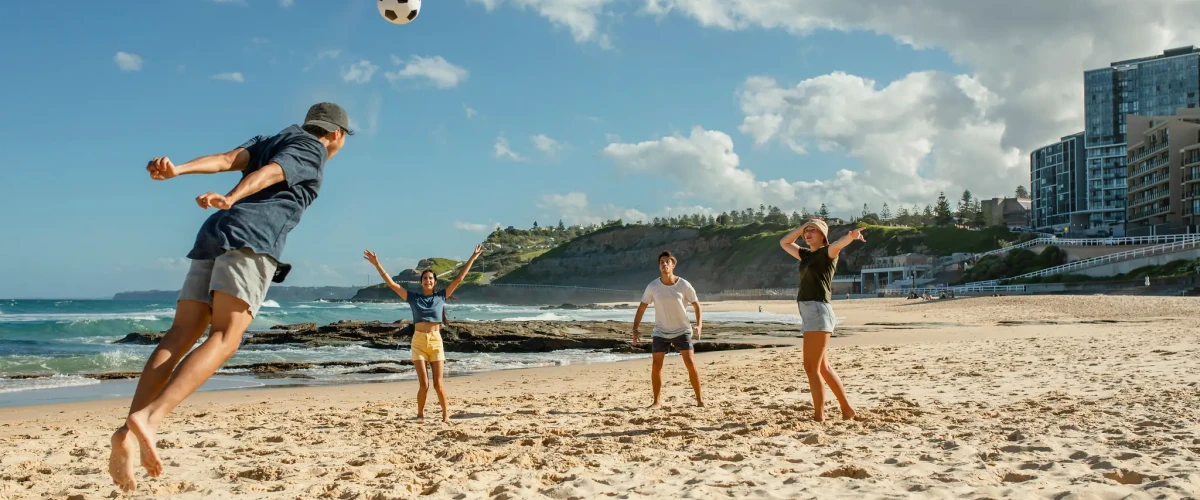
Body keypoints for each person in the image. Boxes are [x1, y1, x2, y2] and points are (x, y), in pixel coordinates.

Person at [108, 103, 353, 492]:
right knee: (225, 337)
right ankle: (150, 420)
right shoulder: (313, 149)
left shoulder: (274, 137)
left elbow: (225, 159)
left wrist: (178, 170)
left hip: (215, 232)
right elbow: (272, 173)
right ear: (338, 134)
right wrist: (234, 195)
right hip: (250, 238)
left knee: (181, 332)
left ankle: (128, 427)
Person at [363, 245, 483, 423]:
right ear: (421, 282)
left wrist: (472, 258)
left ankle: (445, 415)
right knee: (424, 384)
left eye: (430, 278)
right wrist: (377, 264)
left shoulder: (441, 297)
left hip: (436, 342)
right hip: (418, 342)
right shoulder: (413, 298)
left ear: (435, 282)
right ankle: (420, 415)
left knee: (438, 384)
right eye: (425, 278)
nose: (428, 280)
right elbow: (392, 284)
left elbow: (458, 279)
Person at [778, 219, 865, 421]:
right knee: (823, 368)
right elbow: (784, 242)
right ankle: (846, 410)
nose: (808, 234)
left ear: (823, 235)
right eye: (806, 231)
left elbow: (838, 244)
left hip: (818, 311)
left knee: (811, 368)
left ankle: (820, 415)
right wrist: (801, 228)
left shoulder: (827, 253)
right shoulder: (806, 255)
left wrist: (850, 237)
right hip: (810, 312)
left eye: (813, 231)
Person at [632, 250, 704, 408]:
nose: (664, 264)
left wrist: (699, 324)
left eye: (667, 261)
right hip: (660, 331)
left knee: (690, 363)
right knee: (656, 365)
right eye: (661, 262)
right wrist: (635, 328)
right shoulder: (653, 286)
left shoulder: (684, 284)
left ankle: (699, 400)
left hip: (682, 330)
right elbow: (642, 307)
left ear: (673, 264)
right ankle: (656, 401)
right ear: (659, 266)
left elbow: (696, 304)